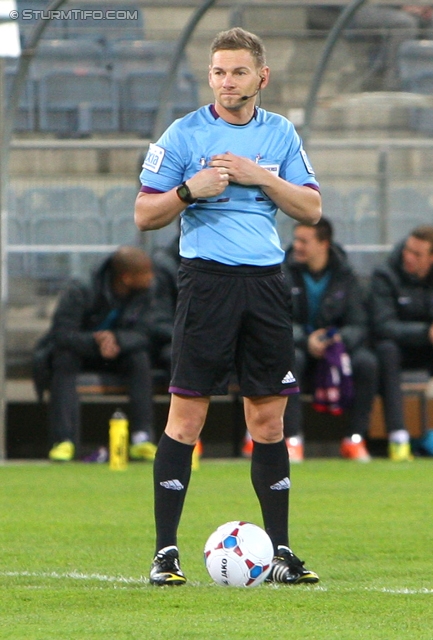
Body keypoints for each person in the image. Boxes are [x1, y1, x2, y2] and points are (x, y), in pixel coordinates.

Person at [135, 27, 322, 587]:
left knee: (268, 421)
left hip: (265, 286)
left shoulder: (281, 133)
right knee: (187, 417)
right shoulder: (184, 133)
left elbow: (311, 208)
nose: (226, 81)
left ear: (261, 77)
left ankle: (282, 553)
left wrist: (257, 175)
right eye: (218, 71)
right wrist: (192, 190)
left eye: (238, 71)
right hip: (207, 284)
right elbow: (145, 215)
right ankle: (165, 554)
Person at [39, 246, 172, 463]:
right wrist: (96, 341)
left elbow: (149, 332)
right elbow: (61, 334)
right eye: (146, 273)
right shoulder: (81, 288)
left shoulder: (149, 291)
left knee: (139, 357)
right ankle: (63, 441)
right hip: (83, 351)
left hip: (120, 351)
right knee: (64, 358)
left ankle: (141, 438)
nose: (152, 277)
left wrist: (117, 339)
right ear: (127, 278)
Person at [282, 218, 378, 462]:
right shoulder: (283, 272)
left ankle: (354, 439)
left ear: (323, 244)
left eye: (304, 241)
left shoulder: (345, 274)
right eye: (296, 239)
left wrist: (333, 339)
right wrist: (305, 339)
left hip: (336, 350)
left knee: (366, 363)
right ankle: (293, 440)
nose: (297, 246)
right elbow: (276, 319)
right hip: (299, 347)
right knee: (292, 360)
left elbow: (359, 324)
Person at [369, 225, 433, 461]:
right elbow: (383, 325)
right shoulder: (386, 273)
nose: (408, 257)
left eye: (417, 254)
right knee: (385, 350)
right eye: (408, 250)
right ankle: (398, 438)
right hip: (401, 348)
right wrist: (426, 332)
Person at [307, 4, 433, 90]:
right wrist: (401, 6)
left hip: (402, 5)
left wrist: (423, 6)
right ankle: (394, 80)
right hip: (363, 8)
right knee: (404, 23)